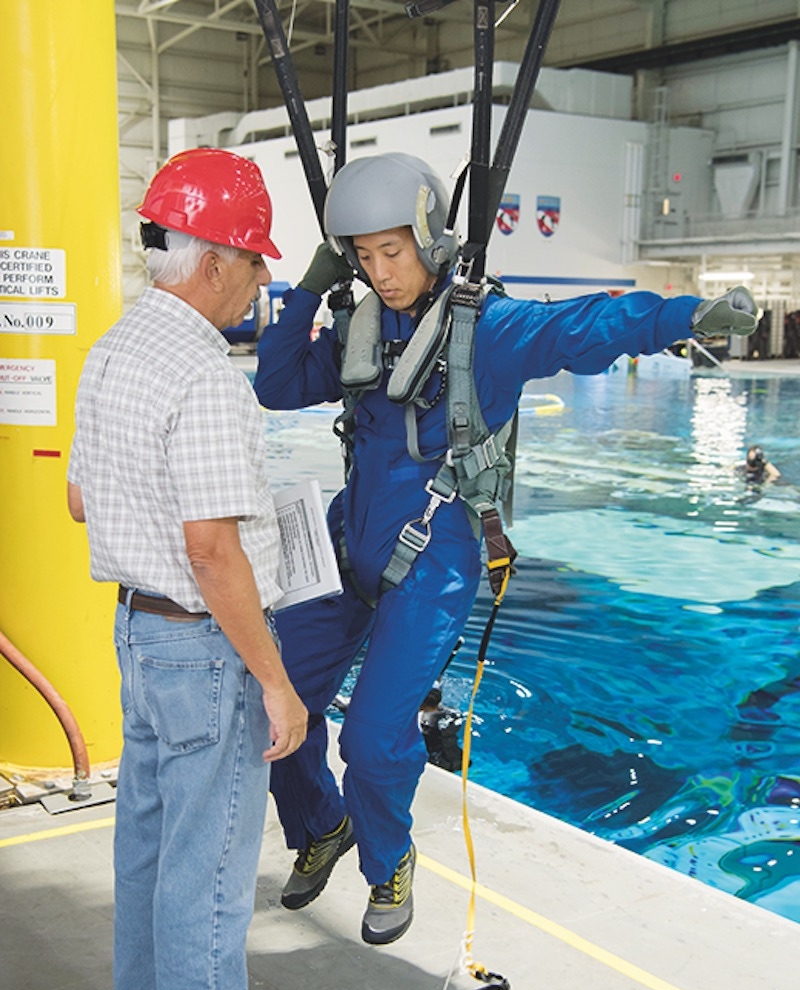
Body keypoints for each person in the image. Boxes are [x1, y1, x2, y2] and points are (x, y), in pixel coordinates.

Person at [253, 151, 759, 947]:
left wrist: (683, 318)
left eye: (393, 250)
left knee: (374, 739)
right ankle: (320, 825)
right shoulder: (357, 324)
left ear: (428, 237)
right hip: (349, 538)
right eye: (363, 255)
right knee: (274, 710)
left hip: (435, 555)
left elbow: (586, 324)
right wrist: (313, 286)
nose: (380, 272)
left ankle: (387, 861)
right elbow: (275, 383)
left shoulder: (486, 328)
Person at [66, 148, 325, 990]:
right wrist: (277, 684)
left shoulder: (114, 349)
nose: (261, 282)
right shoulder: (205, 376)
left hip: (136, 630)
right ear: (215, 258)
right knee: (208, 869)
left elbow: (82, 495)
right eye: (257, 262)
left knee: (145, 847)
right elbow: (212, 550)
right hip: (198, 644)